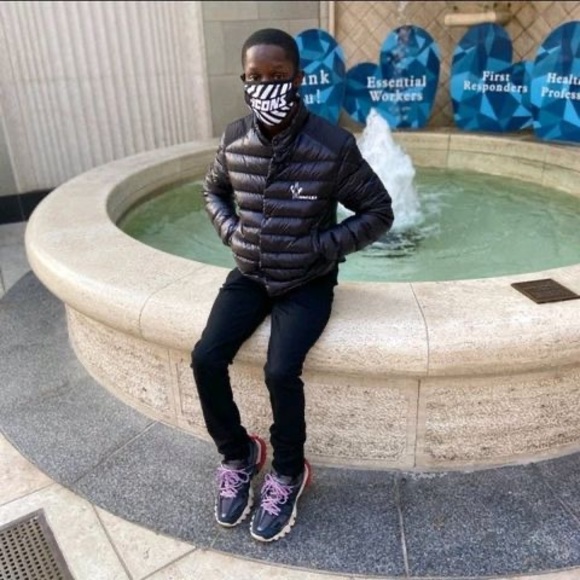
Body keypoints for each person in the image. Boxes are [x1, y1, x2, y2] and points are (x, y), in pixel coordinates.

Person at [191, 28, 393, 542]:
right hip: (251, 273)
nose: (266, 86)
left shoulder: (331, 145)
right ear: (243, 80)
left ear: (298, 78)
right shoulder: (235, 137)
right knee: (206, 358)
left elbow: (378, 211)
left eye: (277, 75)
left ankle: (287, 471)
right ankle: (239, 454)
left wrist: (321, 247)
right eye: (255, 77)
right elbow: (213, 191)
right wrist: (232, 233)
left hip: (306, 281)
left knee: (281, 370)